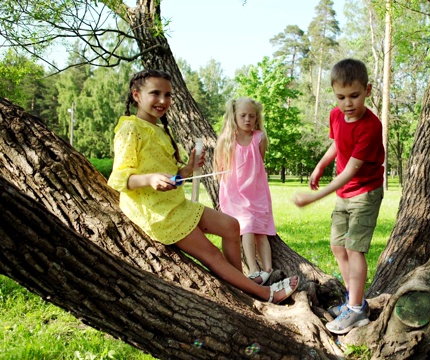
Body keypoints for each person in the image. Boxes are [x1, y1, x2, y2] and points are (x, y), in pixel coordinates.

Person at [107, 69, 298, 304]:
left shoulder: (159, 130)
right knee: (213, 256)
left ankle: (240, 284)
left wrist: (187, 169)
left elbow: (174, 175)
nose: (163, 100)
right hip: (158, 213)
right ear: (136, 95)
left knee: (231, 226)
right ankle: (263, 294)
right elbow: (118, 178)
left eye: (167, 95)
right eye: (155, 93)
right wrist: (149, 179)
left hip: (176, 204)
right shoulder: (130, 129)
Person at [293, 59, 384, 334]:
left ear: (367, 90)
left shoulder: (371, 126)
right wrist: (320, 166)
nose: (347, 103)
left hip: (364, 193)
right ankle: (353, 301)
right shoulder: (336, 115)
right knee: (337, 246)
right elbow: (336, 144)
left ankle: (356, 310)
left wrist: (315, 197)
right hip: (345, 194)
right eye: (341, 97)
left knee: (354, 249)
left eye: (354, 96)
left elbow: (351, 172)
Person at [214, 97, 276, 286]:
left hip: (256, 192)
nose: (248, 119)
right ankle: (253, 270)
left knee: (261, 232)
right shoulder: (227, 140)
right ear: (234, 116)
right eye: (243, 115)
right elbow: (219, 167)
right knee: (247, 225)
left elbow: (260, 162)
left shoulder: (259, 138)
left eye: (252, 116)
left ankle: (268, 271)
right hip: (235, 194)